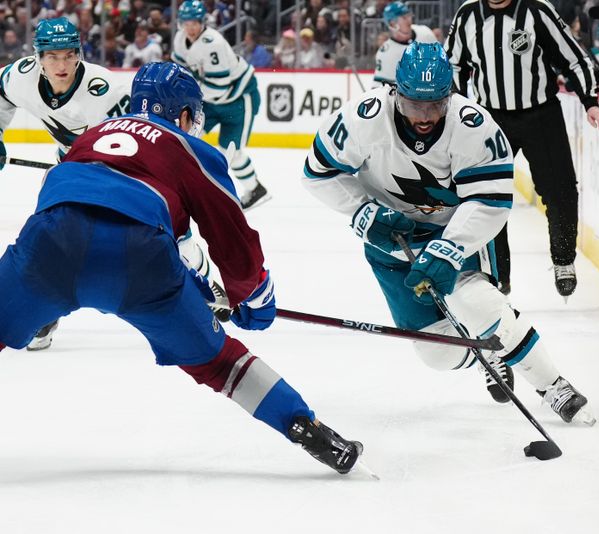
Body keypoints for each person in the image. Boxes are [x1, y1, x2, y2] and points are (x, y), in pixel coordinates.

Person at [0, 62, 363, 475]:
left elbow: (67, 201)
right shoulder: (190, 148)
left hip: (49, 242)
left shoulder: (91, 136)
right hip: (138, 261)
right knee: (220, 363)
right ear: (186, 114)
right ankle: (307, 428)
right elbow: (231, 236)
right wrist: (252, 298)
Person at [302, 42, 594, 424]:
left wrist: (449, 249)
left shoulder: (473, 126)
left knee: (477, 303)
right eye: (414, 105)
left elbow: (490, 199)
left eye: (435, 105)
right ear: (396, 92)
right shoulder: (362, 120)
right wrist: (364, 212)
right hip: (391, 244)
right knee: (435, 353)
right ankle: (484, 352)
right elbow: (318, 173)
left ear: (450, 95)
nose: (424, 117)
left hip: (457, 231)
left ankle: (553, 386)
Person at [445, 0, 599, 298]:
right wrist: (458, 111)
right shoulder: (468, 15)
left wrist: (590, 100)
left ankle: (563, 259)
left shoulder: (537, 10)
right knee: (485, 196)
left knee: (560, 190)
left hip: (541, 115)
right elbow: (453, 65)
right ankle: (498, 274)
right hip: (490, 121)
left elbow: (573, 58)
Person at [0, 17, 131, 350]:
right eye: (52, 56)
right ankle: (44, 308)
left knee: (159, 229)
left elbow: (127, 145)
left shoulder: (104, 90)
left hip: (115, 166)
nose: (62, 64)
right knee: (54, 232)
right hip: (70, 162)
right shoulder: (21, 77)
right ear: (38, 58)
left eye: (69, 55)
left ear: (79, 54)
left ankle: (201, 280)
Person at [171, 0, 270, 210]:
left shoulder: (213, 43)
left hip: (238, 100)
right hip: (209, 101)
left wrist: (189, 90)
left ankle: (255, 189)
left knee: (230, 151)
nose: (190, 28)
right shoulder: (180, 39)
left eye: (194, 23)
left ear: (202, 22)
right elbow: (179, 71)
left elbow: (219, 86)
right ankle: (179, 188)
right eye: (185, 23)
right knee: (185, 139)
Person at [372, 1, 437, 87]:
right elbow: (379, 88)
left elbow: (444, 59)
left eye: (409, 15)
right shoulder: (385, 53)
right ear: (392, 23)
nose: (409, 20)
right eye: (404, 17)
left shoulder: (425, 32)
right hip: (407, 98)